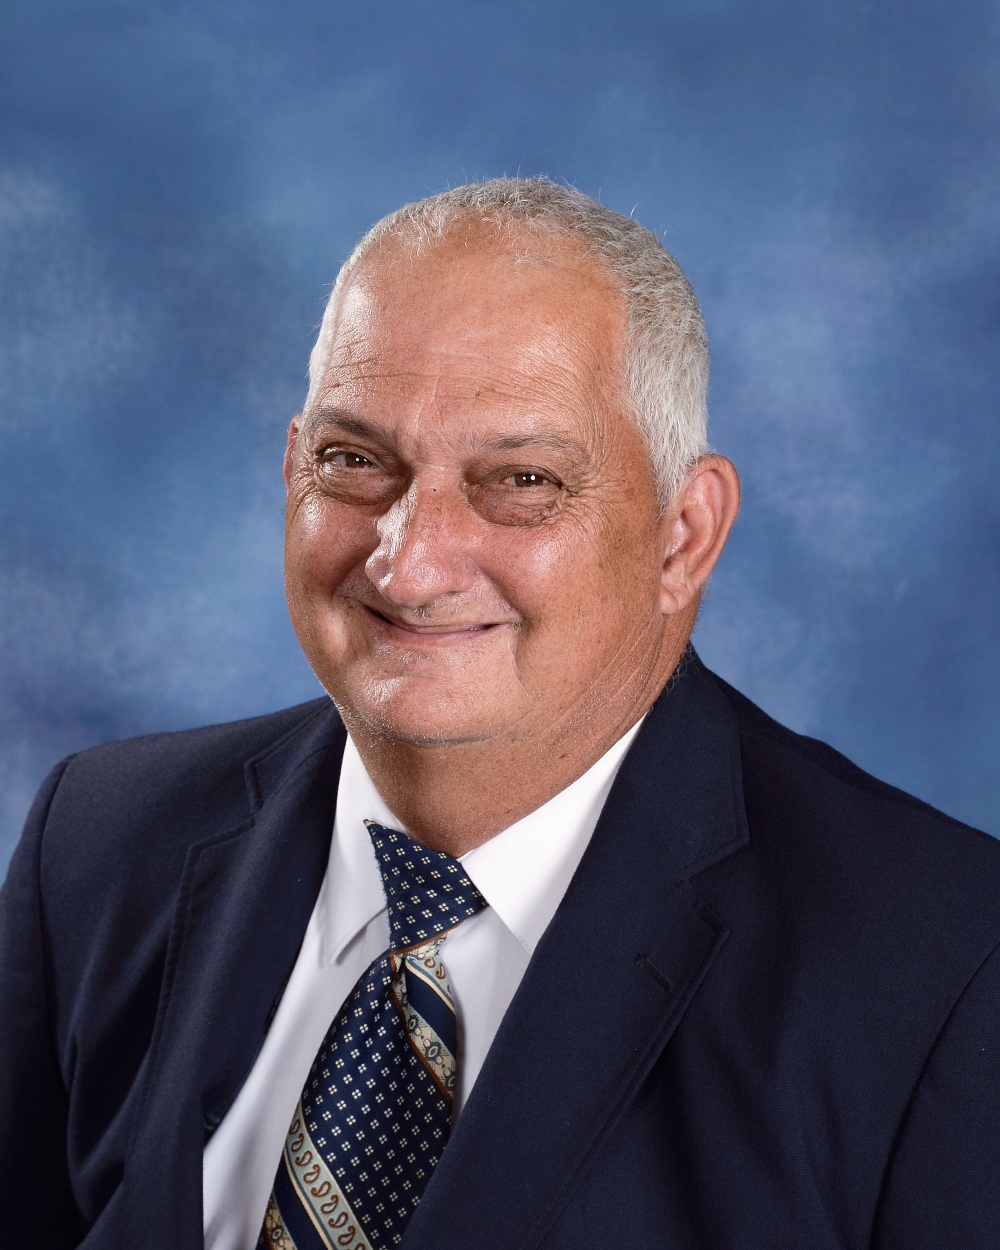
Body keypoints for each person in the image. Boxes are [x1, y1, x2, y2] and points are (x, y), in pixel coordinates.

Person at [1, 178, 998, 1250]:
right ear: (293, 469)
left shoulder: (943, 969)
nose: (410, 562)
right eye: (354, 461)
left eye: (521, 480)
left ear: (683, 535)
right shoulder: (100, 844)